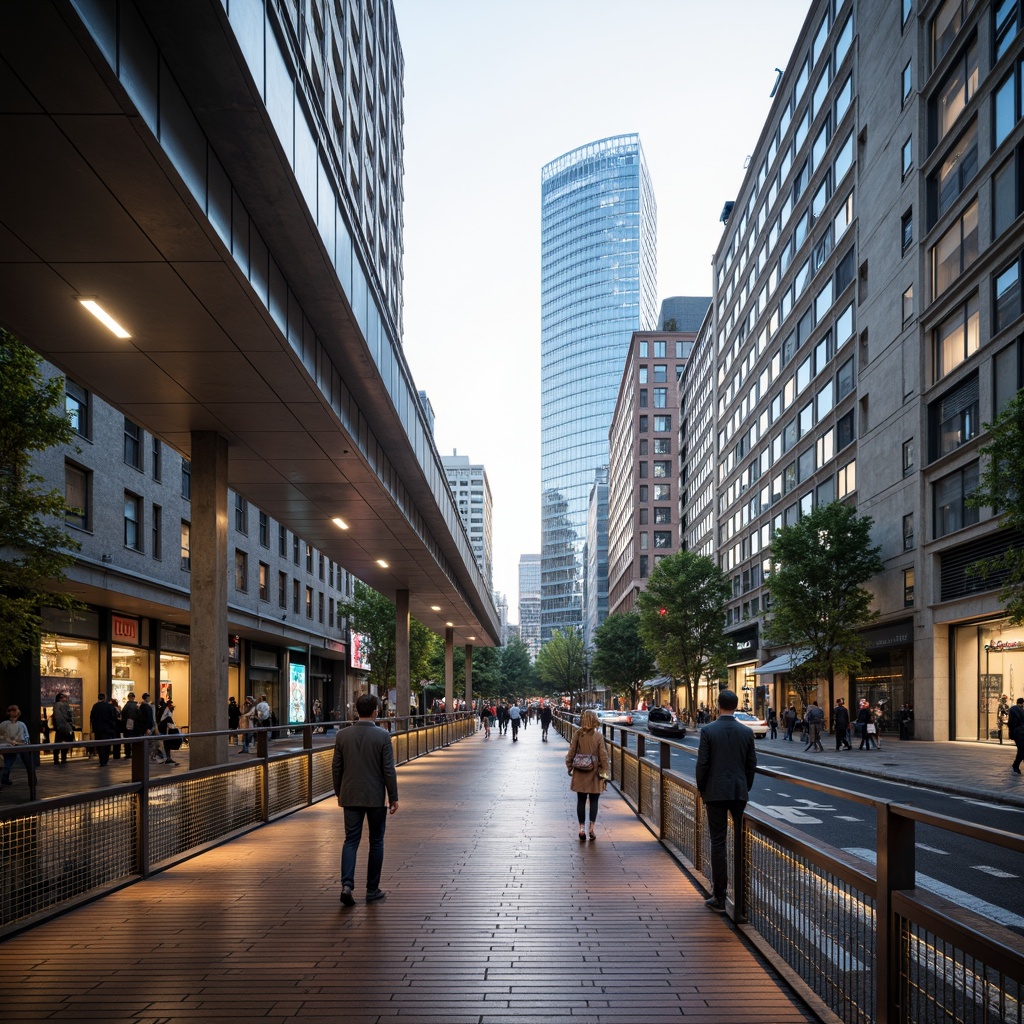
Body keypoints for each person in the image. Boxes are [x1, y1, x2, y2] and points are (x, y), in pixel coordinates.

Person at [332, 693, 398, 906]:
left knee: (350, 840)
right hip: (374, 796)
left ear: (357, 711)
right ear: (375, 711)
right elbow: (388, 770)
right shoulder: (383, 736)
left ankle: (347, 885)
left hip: (350, 794)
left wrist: (339, 791)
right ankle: (372, 889)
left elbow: (336, 767)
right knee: (376, 841)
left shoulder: (342, 735)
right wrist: (393, 797)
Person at [695, 689, 757, 913]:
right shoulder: (746, 732)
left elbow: (702, 764)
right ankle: (741, 901)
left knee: (718, 842)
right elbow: (751, 765)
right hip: (738, 791)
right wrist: (744, 787)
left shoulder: (709, 730)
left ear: (717, 705)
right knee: (740, 842)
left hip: (715, 792)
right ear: (737, 705)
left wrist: (702, 788)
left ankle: (719, 897)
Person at [565, 709, 609, 840]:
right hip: (594, 771)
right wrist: (605, 772)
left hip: (579, 770)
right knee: (594, 801)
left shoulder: (578, 734)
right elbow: (603, 756)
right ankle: (592, 829)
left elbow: (571, 752)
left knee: (581, 800)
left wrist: (569, 766)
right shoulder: (598, 736)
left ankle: (581, 829)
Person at [1, 704, 34, 789]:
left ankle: (5, 778)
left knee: (8, 762)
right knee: (8, 762)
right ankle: (4, 778)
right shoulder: (5, 724)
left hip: (14, 746)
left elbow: (25, 736)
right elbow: (25, 736)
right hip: (9, 746)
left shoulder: (18, 724)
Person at [89, 692, 121, 766]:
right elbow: (114, 717)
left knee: (99, 745)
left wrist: (93, 727)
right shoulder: (109, 706)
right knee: (107, 745)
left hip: (98, 729)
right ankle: (105, 760)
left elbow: (92, 718)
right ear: (105, 698)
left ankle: (101, 759)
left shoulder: (95, 706)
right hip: (108, 729)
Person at [137, 692, 163, 763]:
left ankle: (149, 756)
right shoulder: (148, 707)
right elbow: (149, 718)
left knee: (150, 742)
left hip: (146, 727)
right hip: (149, 727)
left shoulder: (141, 706)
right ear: (147, 698)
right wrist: (149, 727)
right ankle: (149, 756)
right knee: (152, 742)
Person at [51, 692, 75, 763]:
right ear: (61, 698)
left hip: (59, 728)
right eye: (65, 697)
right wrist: (71, 720)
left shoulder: (55, 706)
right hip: (66, 727)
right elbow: (68, 715)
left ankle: (56, 759)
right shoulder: (64, 705)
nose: (66, 698)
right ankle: (63, 758)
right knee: (66, 743)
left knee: (57, 743)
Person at [1007, 697, 1024, 775]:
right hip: (1020, 732)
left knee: (1021, 750)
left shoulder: (1013, 709)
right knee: (1022, 750)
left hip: (1018, 733)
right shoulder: (1019, 710)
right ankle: (1015, 766)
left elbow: (1011, 723)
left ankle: (1015, 766)